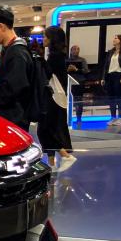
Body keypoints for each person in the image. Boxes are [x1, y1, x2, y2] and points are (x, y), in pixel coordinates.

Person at [39, 26, 76, 172]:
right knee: (49, 127)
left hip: (54, 96)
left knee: (45, 129)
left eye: (45, 37)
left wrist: (39, 63)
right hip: (56, 95)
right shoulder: (56, 55)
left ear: (52, 39)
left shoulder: (55, 57)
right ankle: (52, 163)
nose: (43, 40)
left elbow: (46, 75)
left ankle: (65, 155)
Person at [101, 34, 121, 127]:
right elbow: (106, 66)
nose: (114, 39)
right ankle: (113, 117)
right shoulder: (111, 52)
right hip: (110, 76)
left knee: (119, 98)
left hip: (119, 76)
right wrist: (103, 78)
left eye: (116, 38)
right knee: (111, 98)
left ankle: (120, 118)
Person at [67, 44, 89, 125]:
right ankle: (68, 117)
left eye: (78, 49)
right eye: (74, 49)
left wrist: (76, 69)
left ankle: (79, 118)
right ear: (71, 51)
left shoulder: (82, 60)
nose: (76, 51)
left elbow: (86, 70)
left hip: (80, 81)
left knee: (79, 99)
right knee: (70, 99)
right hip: (70, 82)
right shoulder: (67, 60)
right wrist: (68, 69)